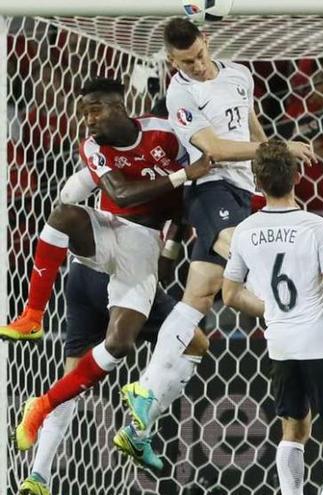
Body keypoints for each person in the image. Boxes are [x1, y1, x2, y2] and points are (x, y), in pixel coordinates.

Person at [116, 17, 316, 445]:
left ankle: (144, 397)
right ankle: (294, 312)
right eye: (186, 62)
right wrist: (277, 148)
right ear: (172, 60)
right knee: (244, 251)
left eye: (201, 56)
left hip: (242, 190)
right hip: (210, 190)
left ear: (208, 41)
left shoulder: (240, 73)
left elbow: (249, 125)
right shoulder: (181, 92)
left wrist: (267, 170)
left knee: (198, 298)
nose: (198, 66)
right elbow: (216, 149)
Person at [2, 78, 212, 467]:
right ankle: (32, 315)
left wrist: (175, 234)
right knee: (64, 212)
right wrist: (188, 174)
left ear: (122, 106)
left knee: (120, 345)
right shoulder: (93, 146)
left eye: (95, 109)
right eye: (84, 112)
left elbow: (180, 216)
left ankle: (45, 407)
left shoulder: (164, 133)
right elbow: (119, 195)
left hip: (142, 247)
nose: (88, 119)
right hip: (106, 233)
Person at [17, 165, 199, 493]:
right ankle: (138, 429)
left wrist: (173, 235)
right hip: (123, 277)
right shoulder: (175, 186)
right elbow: (162, 270)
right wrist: (175, 231)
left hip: (82, 276)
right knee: (193, 341)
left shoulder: (121, 162)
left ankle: (38, 475)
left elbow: (72, 194)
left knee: (71, 378)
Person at [222, 140, 323, 495]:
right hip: (320, 339)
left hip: (281, 344)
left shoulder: (244, 231)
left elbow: (229, 294)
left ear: (257, 181)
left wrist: (271, 310)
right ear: (297, 176)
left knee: (294, 430)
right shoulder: (318, 227)